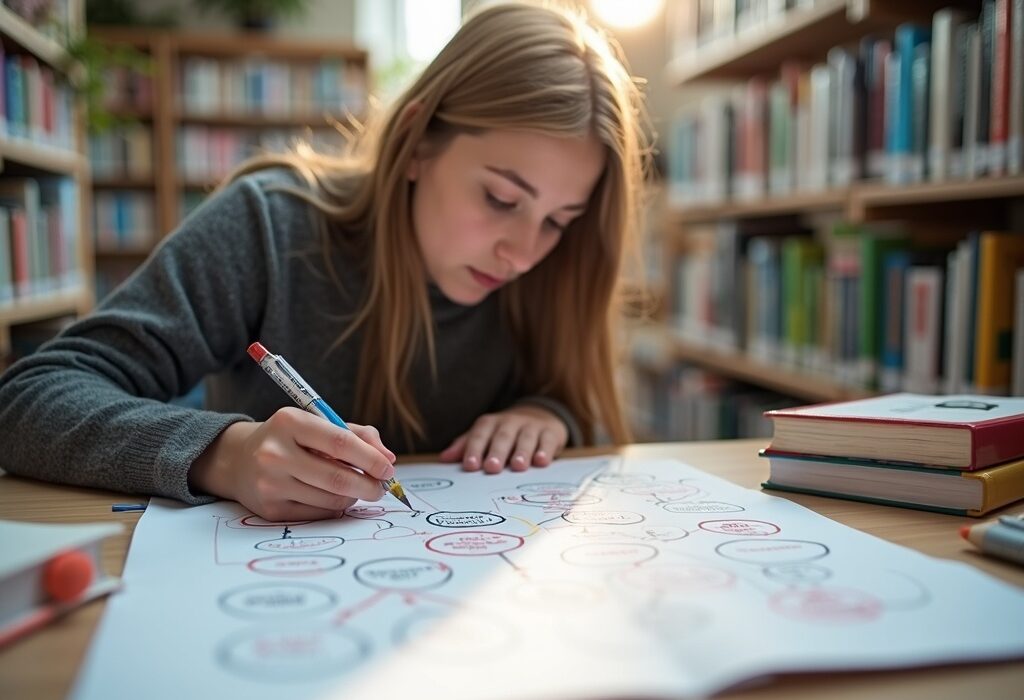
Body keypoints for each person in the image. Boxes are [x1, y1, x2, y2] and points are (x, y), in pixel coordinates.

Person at [0, 1, 650, 521]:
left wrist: (548, 414)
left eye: (560, 222)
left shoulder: (552, 271)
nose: (524, 252)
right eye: (502, 198)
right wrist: (223, 454)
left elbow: (589, 415)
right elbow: (29, 401)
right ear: (417, 141)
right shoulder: (269, 226)